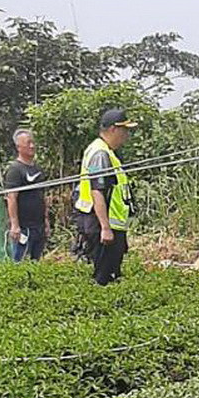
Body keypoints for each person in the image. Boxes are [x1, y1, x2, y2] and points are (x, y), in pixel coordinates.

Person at [74, 109, 136, 285]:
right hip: (102, 226)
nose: (127, 135)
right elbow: (97, 191)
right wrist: (105, 227)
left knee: (112, 275)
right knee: (103, 278)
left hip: (110, 225)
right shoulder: (100, 154)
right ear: (113, 129)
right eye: (125, 130)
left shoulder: (107, 152)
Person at [3, 128, 48, 262]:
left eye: (33, 142)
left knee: (36, 261)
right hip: (24, 228)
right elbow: (11, 198)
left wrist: (46, 221)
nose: (32, 146)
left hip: (38, 226)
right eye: (28, 143)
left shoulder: (38, 169)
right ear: (18, 146)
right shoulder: (15, 170)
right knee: (21, 262)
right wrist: (15, 225)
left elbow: (43, 196)